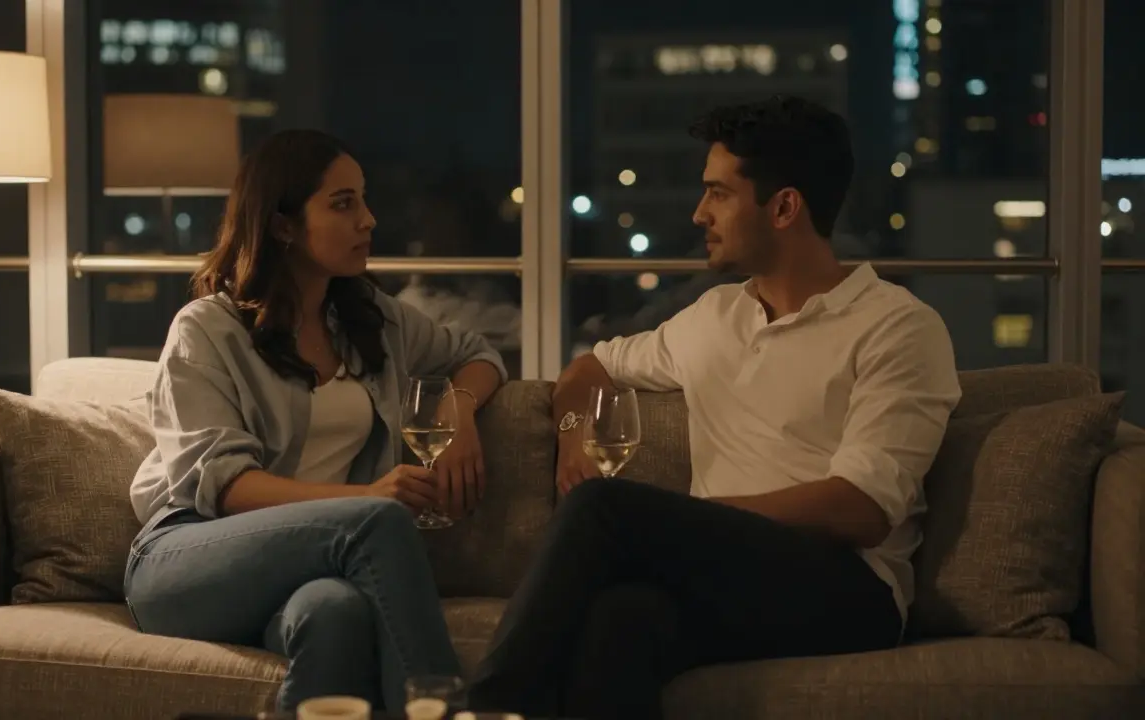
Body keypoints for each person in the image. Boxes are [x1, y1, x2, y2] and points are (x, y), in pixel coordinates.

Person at [467, 96, 962, 720]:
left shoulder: (896, 327)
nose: (700, 213)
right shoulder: (712, 316)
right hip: (727, 576)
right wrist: (571, 433)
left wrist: (682, 520)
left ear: (784, 206)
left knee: (603, 508)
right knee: (619, 620)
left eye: (718, 194)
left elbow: (862, 509)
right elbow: (591, 368)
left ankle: (482, 707)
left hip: (847, 589)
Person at [123, 129, 507, 714]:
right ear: (282, 225)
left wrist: (457, 410)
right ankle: (444, 710)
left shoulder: (369, 318)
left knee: (334, 612)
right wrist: (361, 500)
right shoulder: (207, 330)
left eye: (365, 199)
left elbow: (478, 354)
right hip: (187, 557)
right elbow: (225, 486)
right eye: (343, 203)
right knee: (376, 520)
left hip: (316, 569)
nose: (369, 220)